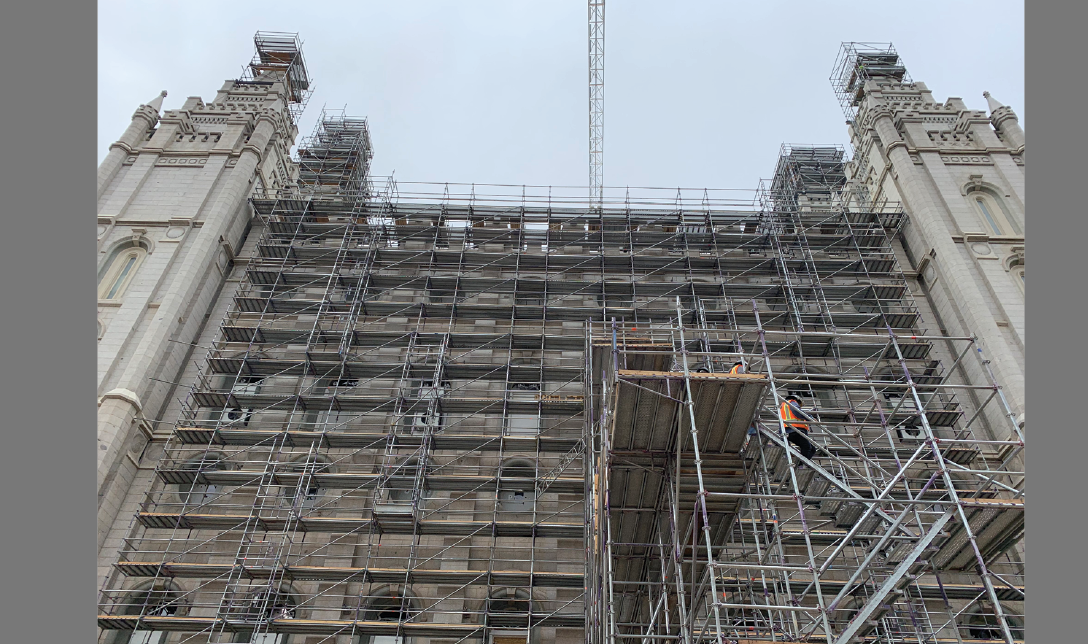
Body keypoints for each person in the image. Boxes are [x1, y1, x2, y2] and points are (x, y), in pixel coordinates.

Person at [780, 395, 817, 461]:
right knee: (807, 447)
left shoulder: (783, 406)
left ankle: (800, 463)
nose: (799, 406)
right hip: (795, 430)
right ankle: (800, 463)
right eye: (799, 405)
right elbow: (797, 412)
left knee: (812, 449)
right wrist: (810, 418)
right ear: (797, 400)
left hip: (789, 431)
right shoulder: (792, 402)